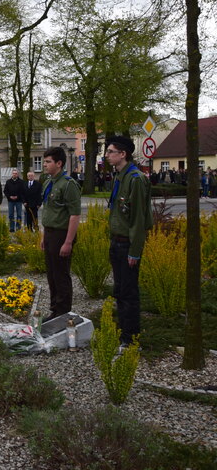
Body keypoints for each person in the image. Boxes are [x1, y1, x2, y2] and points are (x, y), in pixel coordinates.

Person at [105, 136, 152, 348]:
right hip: (117, 241)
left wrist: (135, 251)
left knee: (129, 293)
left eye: (110, 152)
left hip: (127, 244)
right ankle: (123, 333)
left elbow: (139, 220)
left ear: (122, 154)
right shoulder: (119, 177)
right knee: (120, 291)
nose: (107, 155)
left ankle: (132, 339)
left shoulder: (135, 179)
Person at [40, 147, 82, 321]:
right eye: (44, 161)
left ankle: (63, 313)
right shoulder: (48, 182)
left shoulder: (68, 184)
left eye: (48, 162)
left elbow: (75, 214)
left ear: (59, 163)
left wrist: (68, 242)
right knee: (51, 274)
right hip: (50, 233)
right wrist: (44, 236)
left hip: (62, 234)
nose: (44, 165)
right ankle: (55, 309)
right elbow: (48, 211)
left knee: (61, 274)